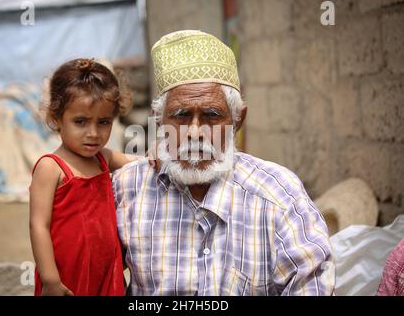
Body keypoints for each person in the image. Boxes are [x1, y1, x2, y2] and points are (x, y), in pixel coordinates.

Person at [112, 30, 335, 296]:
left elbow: (312, 287)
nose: (195, 132)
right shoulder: (128, 188)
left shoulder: (278, 195)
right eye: (181, 116)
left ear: (237, 120)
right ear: (159, 120)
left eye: (211, 115)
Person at [30, 58, 138, 296]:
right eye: (80, 122)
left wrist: (157, 158)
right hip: (68, 273)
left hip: (106, 269)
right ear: (56, 118)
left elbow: (139, 164)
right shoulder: (51, 167)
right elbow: (39, 225)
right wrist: (50, 279)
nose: (93, 133)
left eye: (104, 122)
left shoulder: (103, 158)